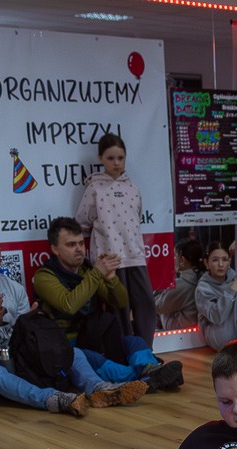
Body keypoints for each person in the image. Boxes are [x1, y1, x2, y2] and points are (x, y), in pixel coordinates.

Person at [0, 226, 143, 417]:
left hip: (15, 356)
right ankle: (50, 398)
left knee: (72, 352)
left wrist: (29, 324)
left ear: (0, 252)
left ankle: (98, 389)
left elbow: (22, 338)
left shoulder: (14, 288)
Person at [33, 217, 178, 391]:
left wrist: (111, 279)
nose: (79, 249)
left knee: (134, 341)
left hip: (92, 337)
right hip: (66, 346)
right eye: (71, 245)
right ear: (55, 249)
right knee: (92, 359)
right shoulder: (44, 277)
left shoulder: (86, 271)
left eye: (81, 243)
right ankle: (143, 377)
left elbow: (120, 302)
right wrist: (97, 273)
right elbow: (69, 305)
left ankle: (151, 370)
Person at [75, 133, 157, 345]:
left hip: (135, 255)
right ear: (101, 158)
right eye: (110, 158)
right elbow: (83, 220)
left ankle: (144, 350)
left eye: (120, 158)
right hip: (109, 257)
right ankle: (124, 351)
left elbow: (137, 218)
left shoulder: (133, 188)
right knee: (119, 308)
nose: (116, 163)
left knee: (146, 304)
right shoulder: (94, 188)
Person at [155, 239, 203, 329]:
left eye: (174, 256)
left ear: (182, 260)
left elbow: (158, 306)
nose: (172, 260)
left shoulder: (181, 285)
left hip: (179, 333)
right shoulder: (199, 278)